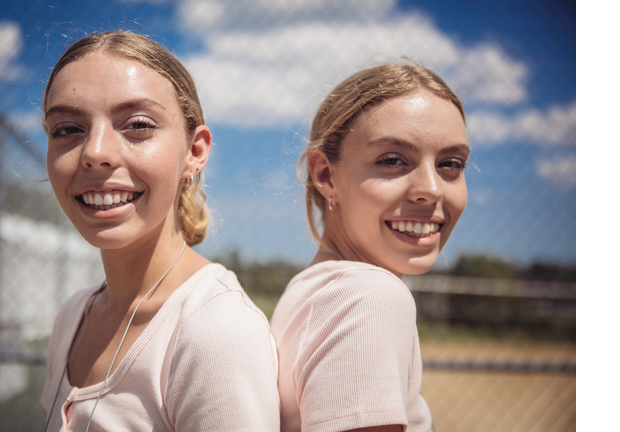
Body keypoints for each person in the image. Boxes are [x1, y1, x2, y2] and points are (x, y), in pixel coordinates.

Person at [39, 31, 279, 431]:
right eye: (66, 129)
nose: (95, 152)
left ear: (195, 152)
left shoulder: (216, 329)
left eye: (137, 125)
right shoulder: (73, 317)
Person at [270, 64, 470, 432]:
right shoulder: (369, 296)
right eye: (392, 160)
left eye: (450, 165)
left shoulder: (311, 289)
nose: (432, 188)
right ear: (326, 175)